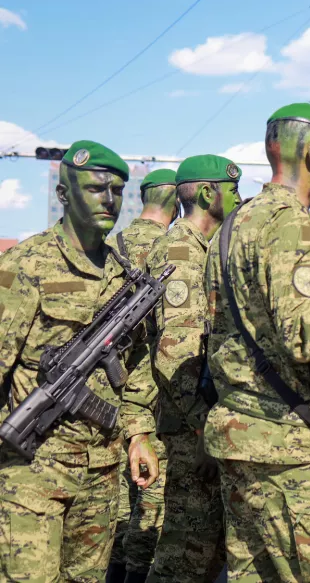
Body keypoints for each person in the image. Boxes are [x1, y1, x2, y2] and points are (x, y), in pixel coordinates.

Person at [203, 103, 310, 582]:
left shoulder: (232, 227)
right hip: (287, 448)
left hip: (239, 437)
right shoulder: (290, 223)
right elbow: (306, 335)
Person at [0, 140, 159, 583]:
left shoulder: (122, 274)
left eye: (118, 191)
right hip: (31, 473)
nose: (109, 200)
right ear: (64, 194)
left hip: (101, 475)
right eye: (95, 189)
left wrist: (138, 433)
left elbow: (139, 362)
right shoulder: (24, 266)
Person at [144, 156, 242, 583]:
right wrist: (207, 430)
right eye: (233, 190)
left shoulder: (206, 250)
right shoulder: (180, 251)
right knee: (185, 556)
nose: (239, 200)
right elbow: (175, 352)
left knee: (207, 550)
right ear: (208, 194)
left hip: (199, 424)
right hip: (190, 431)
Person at [107, 167, 177, 583]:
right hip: (150, 400)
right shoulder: (170, 248)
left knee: (114, 503)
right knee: (150, 503)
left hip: (104, 394)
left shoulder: (110, 246)